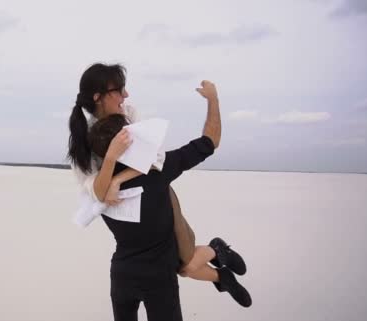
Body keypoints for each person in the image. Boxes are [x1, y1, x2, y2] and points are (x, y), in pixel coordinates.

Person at [67, 63, 251, 306]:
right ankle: (221, 273)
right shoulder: (82, 139)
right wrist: (110, 164)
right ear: (98, 97)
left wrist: (117, 179)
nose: (126, 95)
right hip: (123, 210)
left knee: (183, 261)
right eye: (120, 89)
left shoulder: (129, 114)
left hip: (153, 189)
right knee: (178, 266)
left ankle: (216, 254)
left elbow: (154, 160)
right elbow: (96, 191)